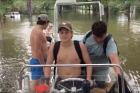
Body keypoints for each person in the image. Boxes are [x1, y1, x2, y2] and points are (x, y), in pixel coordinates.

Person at [45, 22, 92, 92]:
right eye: (61, 32)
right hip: (61, 80)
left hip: (78, 80)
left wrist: (88, 79)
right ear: (59, 34)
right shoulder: (54, 46)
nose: (64, 35)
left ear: (71, 34)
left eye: (67, 32)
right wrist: (47, 82)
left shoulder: (80, 45)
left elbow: (89, 64)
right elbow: (48, 65)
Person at [83, 21, 121, 92]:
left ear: (105, 33)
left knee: (100, 85)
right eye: (96, 37)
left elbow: (114, 59)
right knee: (83, 83)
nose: (98, 40)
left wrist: (120, 78)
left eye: (101, 37)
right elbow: (80, 48)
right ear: (92, 32)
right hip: (87, 64)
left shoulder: (110, 42)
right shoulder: (87, 35)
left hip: (101, 68)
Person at [30, 14, 49, 92]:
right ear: (45, 22)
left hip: (38, 61)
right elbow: (38, 51)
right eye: (48, 23)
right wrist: (43, 65)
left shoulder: (36, 30)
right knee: (36, 83)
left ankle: (39, 91)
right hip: (38, 62)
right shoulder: (38, 32)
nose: (48, 25)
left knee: (41, 83)